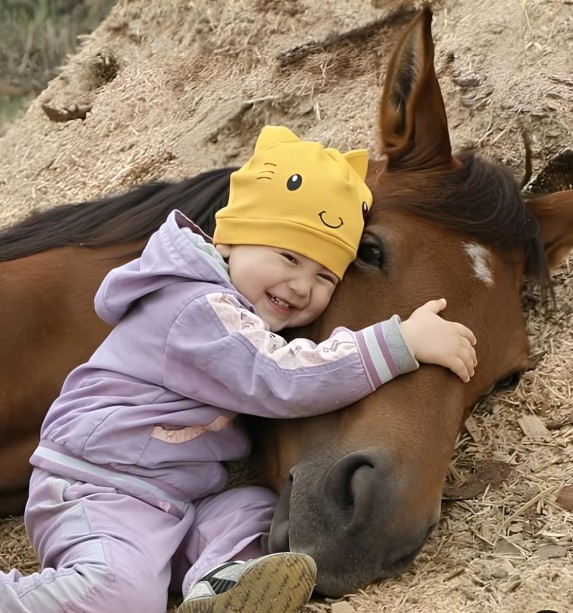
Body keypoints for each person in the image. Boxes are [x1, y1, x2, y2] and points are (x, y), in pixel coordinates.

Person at [0, 126, 477, 613]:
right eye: (288, 257)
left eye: (324, 276)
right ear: (230, 240)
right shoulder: (196, 307)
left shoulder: (237, 314)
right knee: (122, 595)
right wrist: (398, 343)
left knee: (253, 515)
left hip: (177, 497)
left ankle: (221, 591)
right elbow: (281, 377)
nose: (301, 285)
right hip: (101, 485)